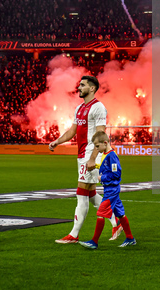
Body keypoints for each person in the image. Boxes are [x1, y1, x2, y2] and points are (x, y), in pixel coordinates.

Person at [49, 76, 121, 244]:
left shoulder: (98, 108)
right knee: (90, 193)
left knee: (81, 193)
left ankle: (74, 235)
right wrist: (57, 141)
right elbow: (72, 130)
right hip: (82, 154)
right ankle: (116, 222)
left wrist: (93, 158)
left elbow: (101, 135)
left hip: (90, 153)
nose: (79, 87)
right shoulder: (80, 108)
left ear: (93, 88)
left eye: (83, 85)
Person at [79, 131, 136, 249]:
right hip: (110, 189)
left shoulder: (112, 156)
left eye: (97, 146)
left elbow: (116, 174)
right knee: (120, 214)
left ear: (105, 143)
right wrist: (96, 166)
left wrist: (102, 177)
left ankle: (94, 242)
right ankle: (130, 238)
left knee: (100, 213)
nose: (96, 149)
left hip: (111, 191)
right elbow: (107, 167)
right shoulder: (107, 154)